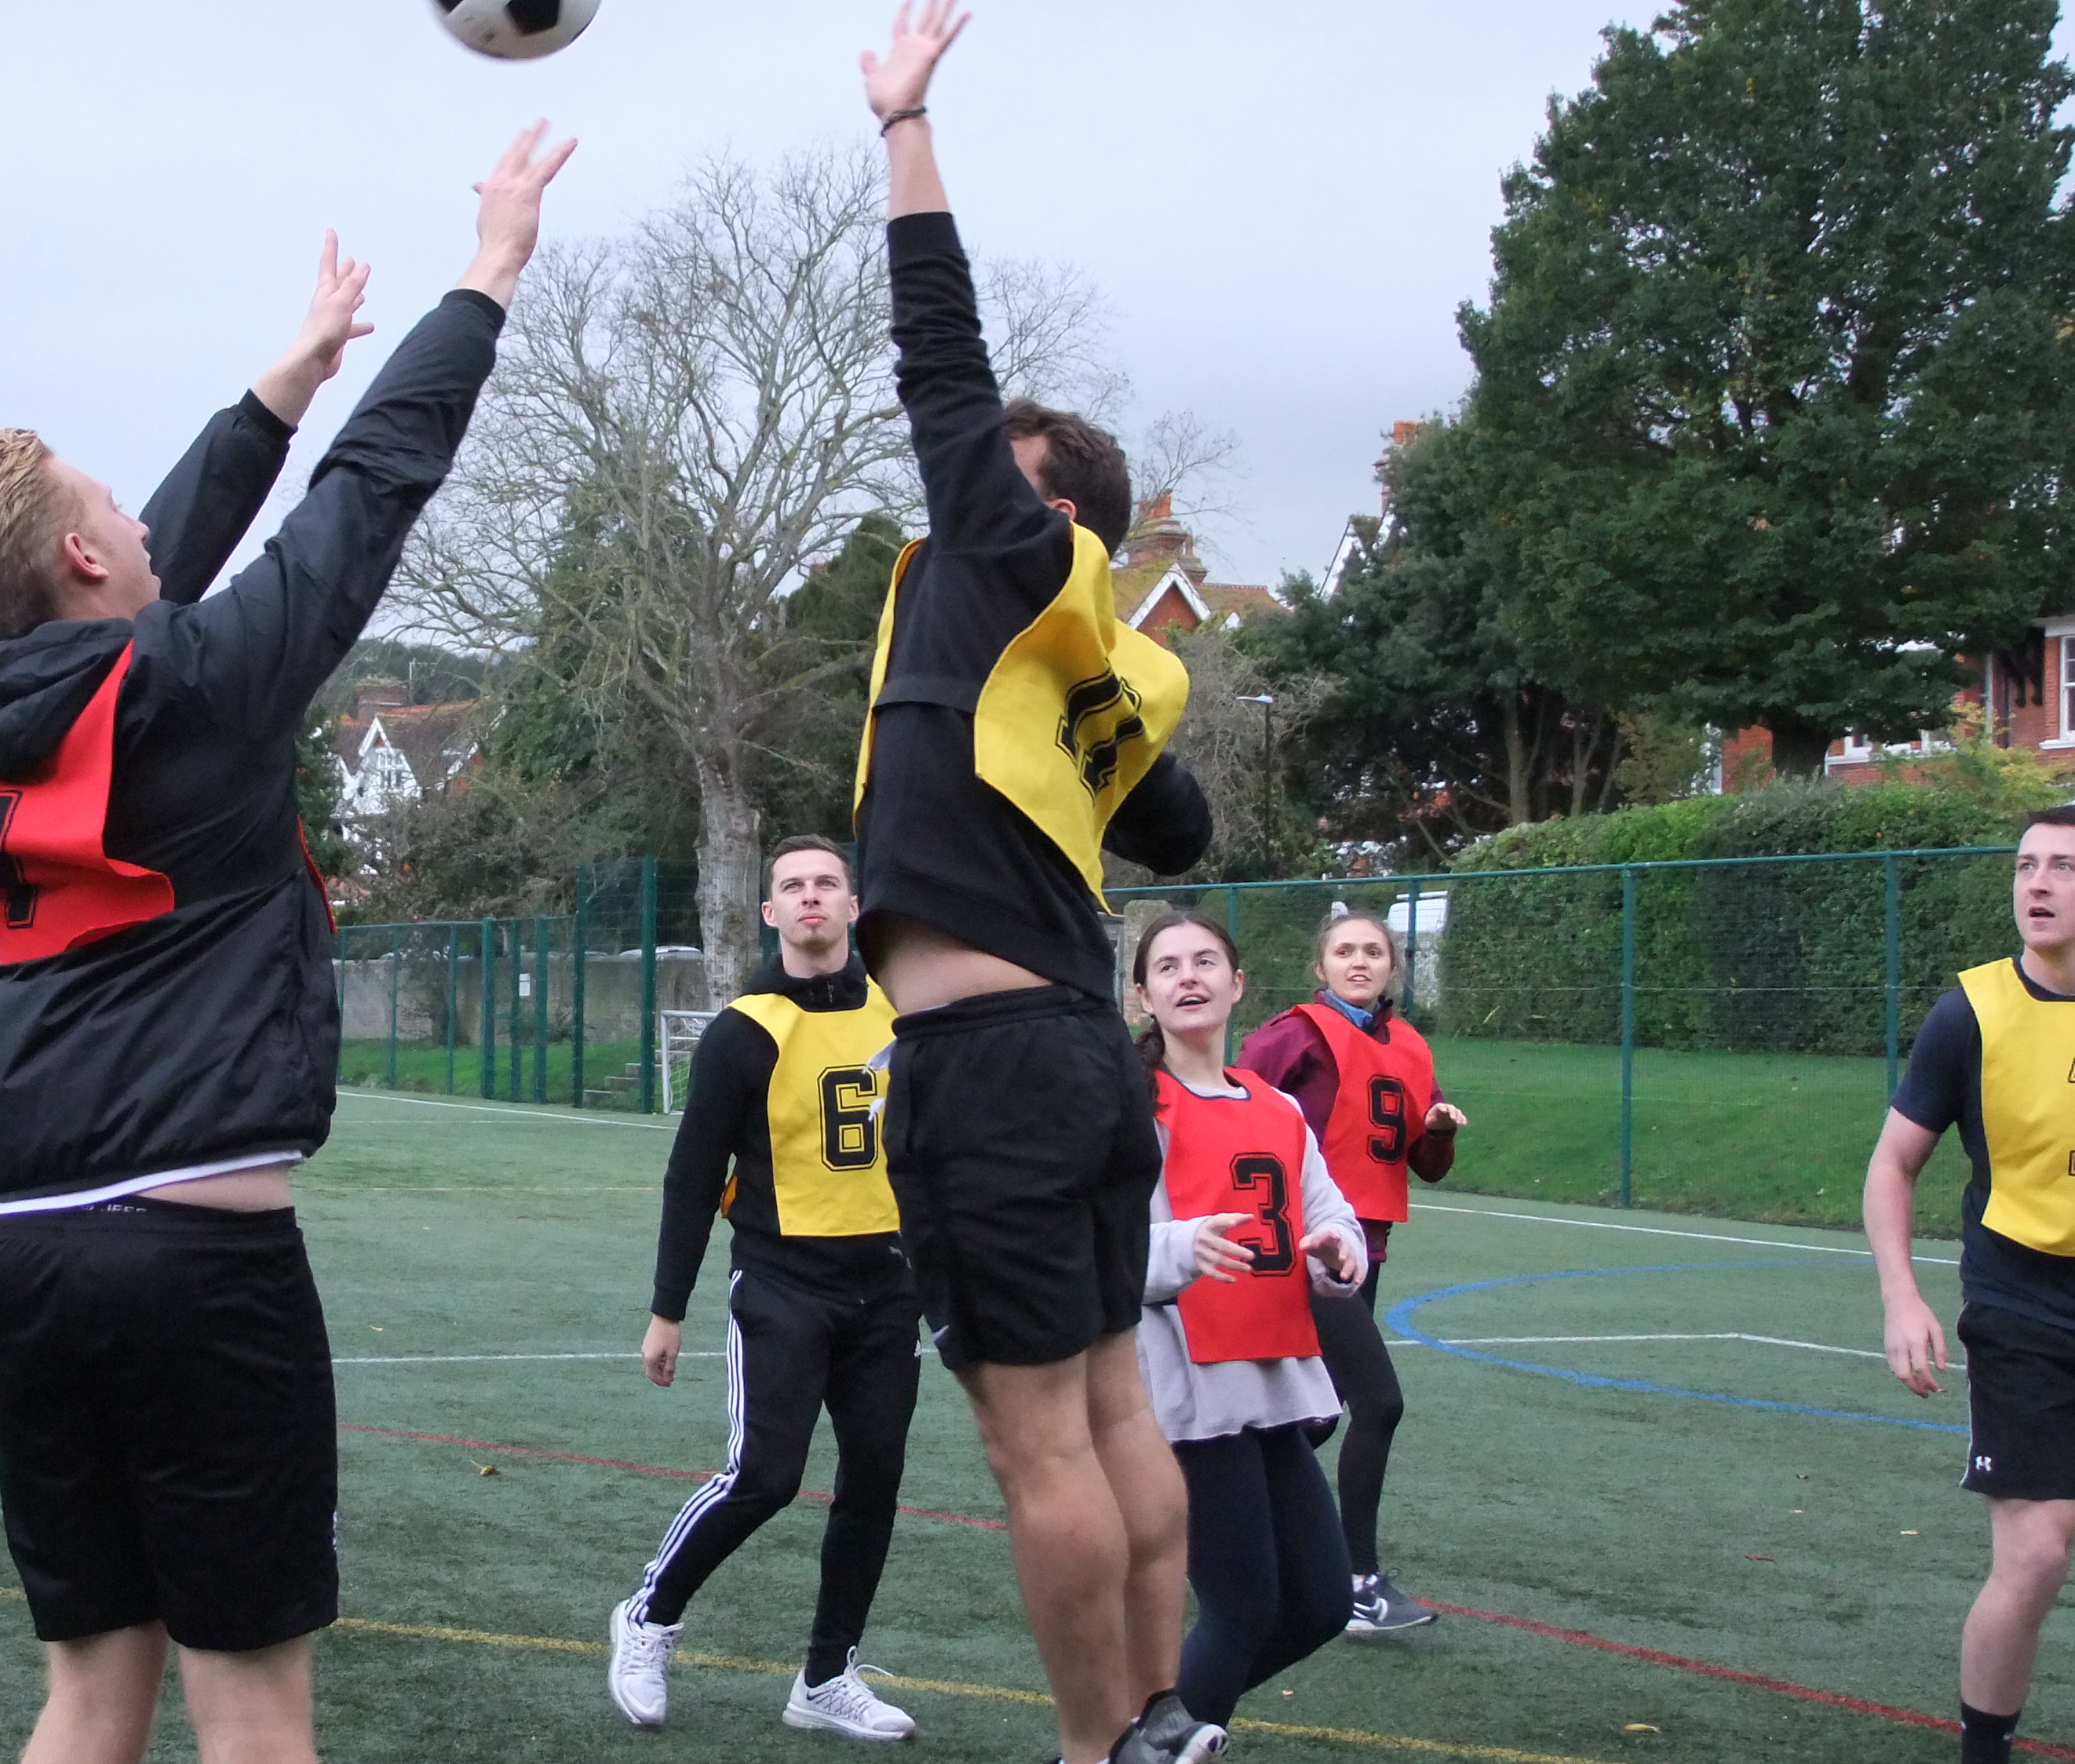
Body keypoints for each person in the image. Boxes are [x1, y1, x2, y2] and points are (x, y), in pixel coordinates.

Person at [0, 127, 573, 1764]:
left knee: (88, 1687)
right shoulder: (184, 694)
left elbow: (143, 583)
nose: (140, 519)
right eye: (111, 508)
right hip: (196, 1258)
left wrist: (275, 386)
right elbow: (372, 493)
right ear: (78, 555)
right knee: (249, 1694)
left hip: (33, 1254)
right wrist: (482, 278)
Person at [848, 8, 1220, 1762]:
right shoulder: (1090, 654)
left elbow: (935, 344)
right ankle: (1157, 1718)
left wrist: (905, 126)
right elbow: (1185, 834)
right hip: (1081, 1048)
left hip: (993, 1063)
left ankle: (1094, 1747)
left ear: (1049, 496)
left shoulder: (1009, 550)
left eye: (998, 453)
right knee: (1107, 1405)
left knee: (1038, 1444)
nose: (956, 459)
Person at [1868, 805, 2075, 1764]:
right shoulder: (1970, 1010)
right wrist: (1902, 1297)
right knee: (2038, 1555)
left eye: (2062, 868)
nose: (2035, 883)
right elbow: (1892, 1166)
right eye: (2023, 865)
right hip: (2023, 1314)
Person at [611, 835, 921, 1743]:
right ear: (770, 912)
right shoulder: (745, 1028)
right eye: (793, 886)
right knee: (765, 1475)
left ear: (853, 904)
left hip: (887, 1283)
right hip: (784, 1279)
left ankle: (826, 1678)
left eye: (827, 882)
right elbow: (692, 1175)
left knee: (875, 1478)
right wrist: (667, 1309)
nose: (812, 897)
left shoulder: (901, 1013)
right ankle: (648, 1615)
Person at [1130, 911, 1366, 1737]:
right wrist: (1178, 1248)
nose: (1187, 976)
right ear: (1142, 996)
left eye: (1205, 962)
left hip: (1272, 1381)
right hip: (1187, 1393)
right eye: (1167, 966)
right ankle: (1136, 1749)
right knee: (1243, 1606)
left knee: (1319, 1602)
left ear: (1238, 985)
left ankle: (1131, 1741)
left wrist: (1341, 1254)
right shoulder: (1132, 1105)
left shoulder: (1277, 1108)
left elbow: (1329, 1217)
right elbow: (1092, 1248)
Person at [1234, 911, 1465, 1634]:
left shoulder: (1408, 1046)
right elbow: (1232, 1106)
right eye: (1344, 950)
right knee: (1378, 1403)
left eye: (1373, 950)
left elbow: (1421, 1166)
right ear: (1320, 966)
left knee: (1313, 1415)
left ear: (1393, 966)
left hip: (1366, 1246)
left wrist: (1439, 1133)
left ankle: (1213, 1519)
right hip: (1306, 1247)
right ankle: (1358, 1581)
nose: (1359, 961)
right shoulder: (1293, 1035)